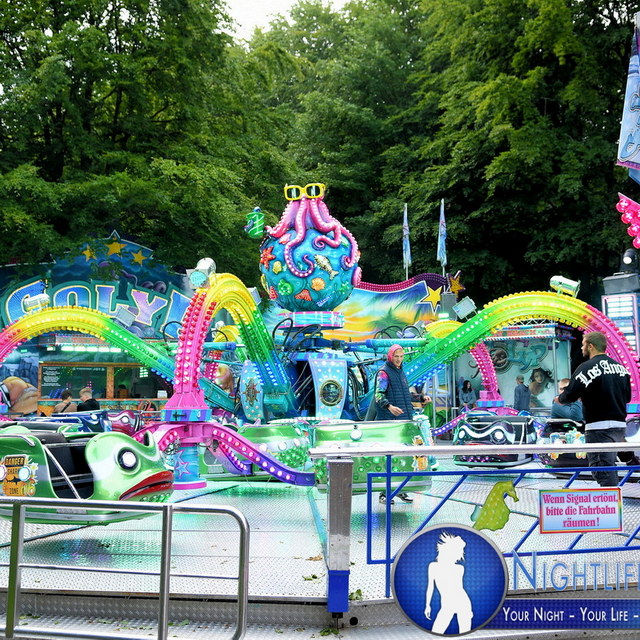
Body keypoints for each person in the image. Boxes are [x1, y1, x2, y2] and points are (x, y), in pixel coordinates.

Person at [556, 331, 631, 487]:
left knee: (602, 469)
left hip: (599, 427)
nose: (581, 348)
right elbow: (628, 397)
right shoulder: (621, 369)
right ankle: (614, 496)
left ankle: (611, 501)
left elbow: (570, 394)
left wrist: (559, 400)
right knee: (609, 466)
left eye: (583, 345)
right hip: (619, 426)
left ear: (590, 346)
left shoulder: (586, 368)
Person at [373, 344, 430, 504]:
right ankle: (384, 493)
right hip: (390, 422)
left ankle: (400, 490)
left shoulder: (400, 372)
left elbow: (404, 395)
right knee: (389, 458)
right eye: (396, 356)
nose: (398, 359)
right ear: (390, 356)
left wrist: (420, 398)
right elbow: (378, 395)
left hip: (404, 421)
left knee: (404, 457)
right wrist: (389, 407)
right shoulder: (384, 373)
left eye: (401, 356)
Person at [424, 531, 473, 634]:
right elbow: (430, 587)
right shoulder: (433, 566)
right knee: (437, 632)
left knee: (464, 634)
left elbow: (458, 589)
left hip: (461, 602)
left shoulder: (459, 568)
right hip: (448, 604)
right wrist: (427, 605)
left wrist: (428, 605)